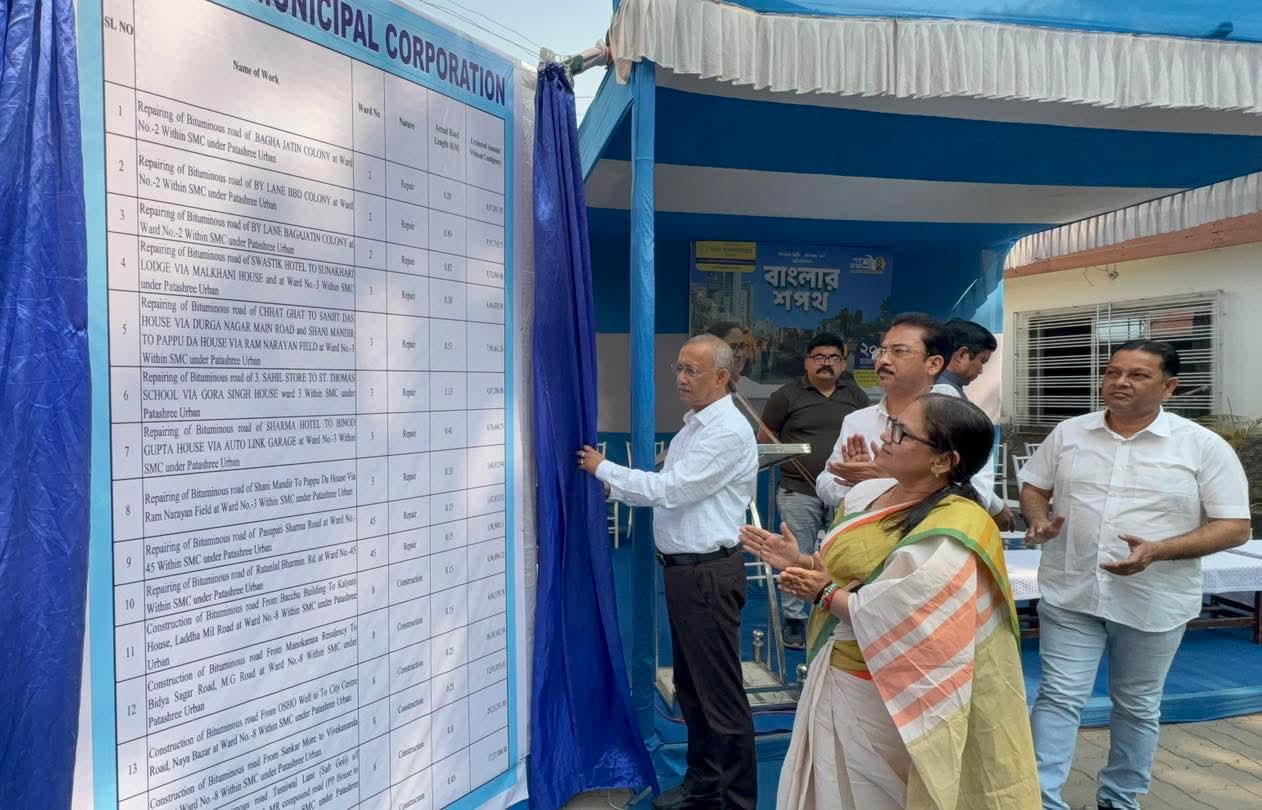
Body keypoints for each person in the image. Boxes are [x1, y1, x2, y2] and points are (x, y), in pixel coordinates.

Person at [741, 393, 1040, 809]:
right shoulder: (868, 494)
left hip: (886, 694)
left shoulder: (957, 524)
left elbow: (903, 614)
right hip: (838, 672)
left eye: (901, 432)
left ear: (943, 461)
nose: (885, 436)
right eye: (892, 424)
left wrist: (824, 594)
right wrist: (801, 560)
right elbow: (845, 572)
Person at [1019, 340, 1251, 810]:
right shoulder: (1069, 433)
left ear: (1169, 387)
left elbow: (1234, 526)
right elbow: (1034, 487)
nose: (1120, 382)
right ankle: (1041, 800)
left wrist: (1159, 551)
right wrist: (1038, 519)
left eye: (1137, 375)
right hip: (1072, 591)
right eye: (1112, 372)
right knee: (1059, 696)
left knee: (1137, 704)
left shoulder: (1202, 446)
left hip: (1154, 598)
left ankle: (1120, 799)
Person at [578, 334, 758, 809]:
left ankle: (737, 801)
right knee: (692, 689)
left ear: (722, 377)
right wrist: (614, 488)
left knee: (720, 697)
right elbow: (665, 489)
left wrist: (604, 470)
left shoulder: (726, 430)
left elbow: (672, 490)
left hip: (707, 574)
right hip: (688, 574)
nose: (680, 378)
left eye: (691, 370)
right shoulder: (694, 427)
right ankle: (704, 784)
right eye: (678, 368)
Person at [815, 313, 1013, 529]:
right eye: (881, 351)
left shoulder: (958, 422)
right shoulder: (857, 420)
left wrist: (889, 482)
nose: (883, 360)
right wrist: (853, 481)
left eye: (899, 351)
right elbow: (825, 483)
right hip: (860, 537)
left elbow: (978, 495)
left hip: (930, 539)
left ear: (933, 363)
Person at [759, 333, 870, 648]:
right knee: (798, 553)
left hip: (844, 491)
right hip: (798, 490)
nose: (826, 364)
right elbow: (765, 439)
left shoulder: (855, 395)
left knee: (843, 555)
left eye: (834, 358)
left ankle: (838, 611)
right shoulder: (786, 396)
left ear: (843, 364)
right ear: (807, 362)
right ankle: (795, 618)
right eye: (819, 357)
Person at [939, 319, 998, 396]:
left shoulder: (932, 385)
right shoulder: (946, 392)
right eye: (982, 361)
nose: (981, 371)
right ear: (961, 354)